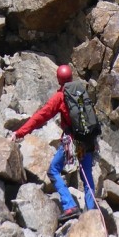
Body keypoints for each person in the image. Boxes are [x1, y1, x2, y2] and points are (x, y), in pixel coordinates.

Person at [12, 63, 97, 223]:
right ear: (71, 77)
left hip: (73, 140)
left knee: (53, 170)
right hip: (88, 139)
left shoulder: (60, 96)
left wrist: (20, 132)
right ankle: (92, 212)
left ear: (59, 80)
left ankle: (69, 205)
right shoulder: (81, 91)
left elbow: (41, 116)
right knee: (86, 175)